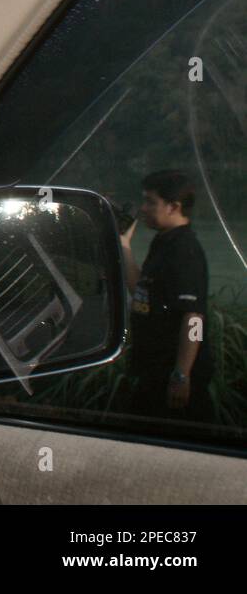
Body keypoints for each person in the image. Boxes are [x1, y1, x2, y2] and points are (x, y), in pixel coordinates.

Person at [120, 170, 213, 420]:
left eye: (151, 202)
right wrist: (125, 246)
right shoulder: (163, 242)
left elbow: (194, 317)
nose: (143, 208)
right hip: (152, 373)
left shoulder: (184, 251)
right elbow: (140, 290)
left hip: (170, 376)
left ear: (174, 207)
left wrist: (181, 374)